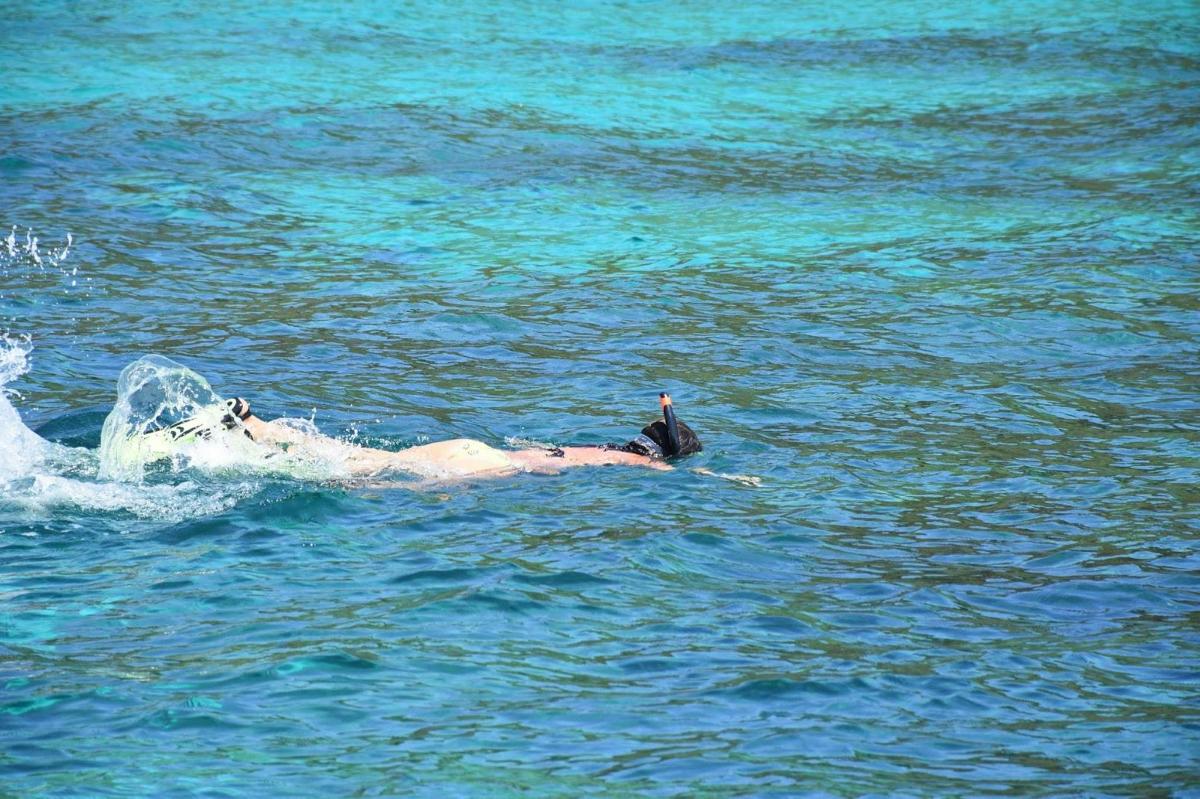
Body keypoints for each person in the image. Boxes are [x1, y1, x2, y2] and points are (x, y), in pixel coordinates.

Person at [141, 392, 704, 482]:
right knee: (359, 477)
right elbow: (662, 467)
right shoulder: (625, 463)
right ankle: (247, 438)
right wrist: (729, 480)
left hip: (476, 451)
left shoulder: (591, 446)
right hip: (483, 469)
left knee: (358, 458)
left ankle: (253, 426)